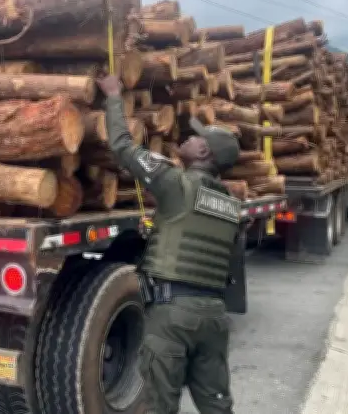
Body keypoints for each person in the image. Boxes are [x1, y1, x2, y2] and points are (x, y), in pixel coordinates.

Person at [97, 74, 242, 414]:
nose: (187, 138)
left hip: (173, 314)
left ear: (204, 152)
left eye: (195, 137)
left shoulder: (177, 184)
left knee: (160, 405)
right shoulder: (231, 206)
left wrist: (114, 96)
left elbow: (122, 147)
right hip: (214, 317)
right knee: (217, 407)